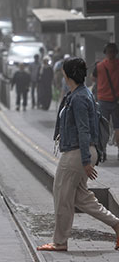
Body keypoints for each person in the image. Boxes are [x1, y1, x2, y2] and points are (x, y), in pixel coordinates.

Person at [37, 57, 119, 252]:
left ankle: (59, 242)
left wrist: (85, 160)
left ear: (67, 74)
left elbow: (84, 130)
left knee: (62, 196)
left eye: (63, 71)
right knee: (82, 197)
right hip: (78, 151)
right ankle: (117, 224)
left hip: (76, 153)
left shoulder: (80, 97)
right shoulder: (77, 94)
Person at [92, 43, 119, 158]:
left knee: (103, 127)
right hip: (117, 100)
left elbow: (93, 78)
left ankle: (103, 151)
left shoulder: (99, 66)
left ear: (105, 52)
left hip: (103, 100)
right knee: (118, 127)